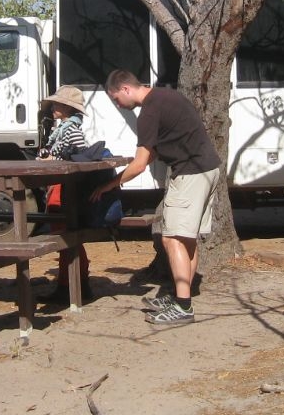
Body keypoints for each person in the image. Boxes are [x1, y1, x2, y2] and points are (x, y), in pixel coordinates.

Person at [91, 69, 221, 326]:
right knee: (187, 237)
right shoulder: (166, 96)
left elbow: (140, 164)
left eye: (116, 98)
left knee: (171, 238)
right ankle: (181, 295)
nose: (118, 104)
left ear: (126, 89)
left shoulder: (149, 111)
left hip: (190, 173)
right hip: (209, 170)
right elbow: (150, 153)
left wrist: (111, 184)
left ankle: (183, 307)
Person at [35, 85, 93, 305]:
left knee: (64, 234)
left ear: (67, 108)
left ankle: (68, 285)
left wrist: (53, 162)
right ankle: (75, 283)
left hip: (65, 187)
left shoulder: (71, 130)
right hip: (59, 185)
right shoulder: (62, 129)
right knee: (64, 233)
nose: (52, 107)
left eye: (57, 103)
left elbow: (80, 155)